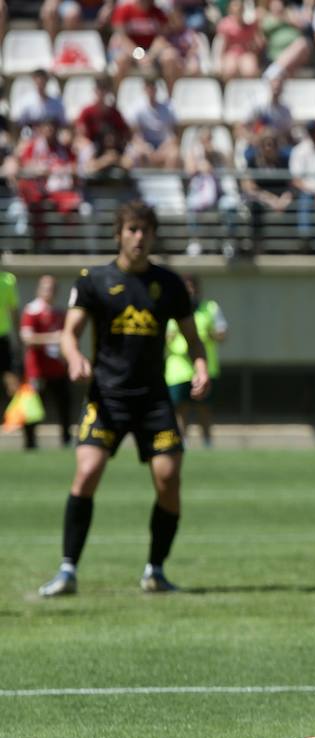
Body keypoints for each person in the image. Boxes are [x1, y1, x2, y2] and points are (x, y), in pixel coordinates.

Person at [38, 200, 208, 597]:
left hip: (153, 400)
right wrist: (75, 356)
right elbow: (68, 333)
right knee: (86, 474)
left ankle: (155, 570)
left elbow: (193, 339)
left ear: (153, 235)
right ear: (118, 234)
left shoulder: (169, 285)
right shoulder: (93, 280)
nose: (139, 237)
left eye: (145, 230)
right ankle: (67, 570)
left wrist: (200, 366)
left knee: (168, 480)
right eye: (131, 229)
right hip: (107, 398)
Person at [165, 276, 227, 446]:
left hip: (204, 368)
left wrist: (210, 334)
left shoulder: (210, 308)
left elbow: (222, 333)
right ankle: (181, 443)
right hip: (178, 369)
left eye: (192, 286)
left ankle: (208, 444)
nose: (189, 290)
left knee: (204, 408)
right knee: (180, 408)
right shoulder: (170, 308)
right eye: (186, 287)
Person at [19, 275, 73, 449]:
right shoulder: (31, 311)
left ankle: (66, 441)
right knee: (32, 409)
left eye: (52, 288)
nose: (49, 292)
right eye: (45, 288)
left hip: (57, 369)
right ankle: (30, 444)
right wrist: (53, 338)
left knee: (64, 405)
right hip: (37, 370)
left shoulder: (59, 313)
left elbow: (67, 338)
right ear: (38, 289)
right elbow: (27, 338)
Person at [0, 271, 19, 402]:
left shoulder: (8, 280)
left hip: (2, 337)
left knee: (9, 377)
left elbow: (13, 310)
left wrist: (17, 338)